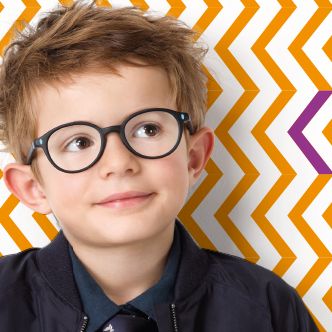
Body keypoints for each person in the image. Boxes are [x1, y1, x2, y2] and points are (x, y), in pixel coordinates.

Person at [0, 1, 319, 331]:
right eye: (79, 142)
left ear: (194, 157)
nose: (119, 163)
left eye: (147, 129)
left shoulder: (266, 307)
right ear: (32, 188)